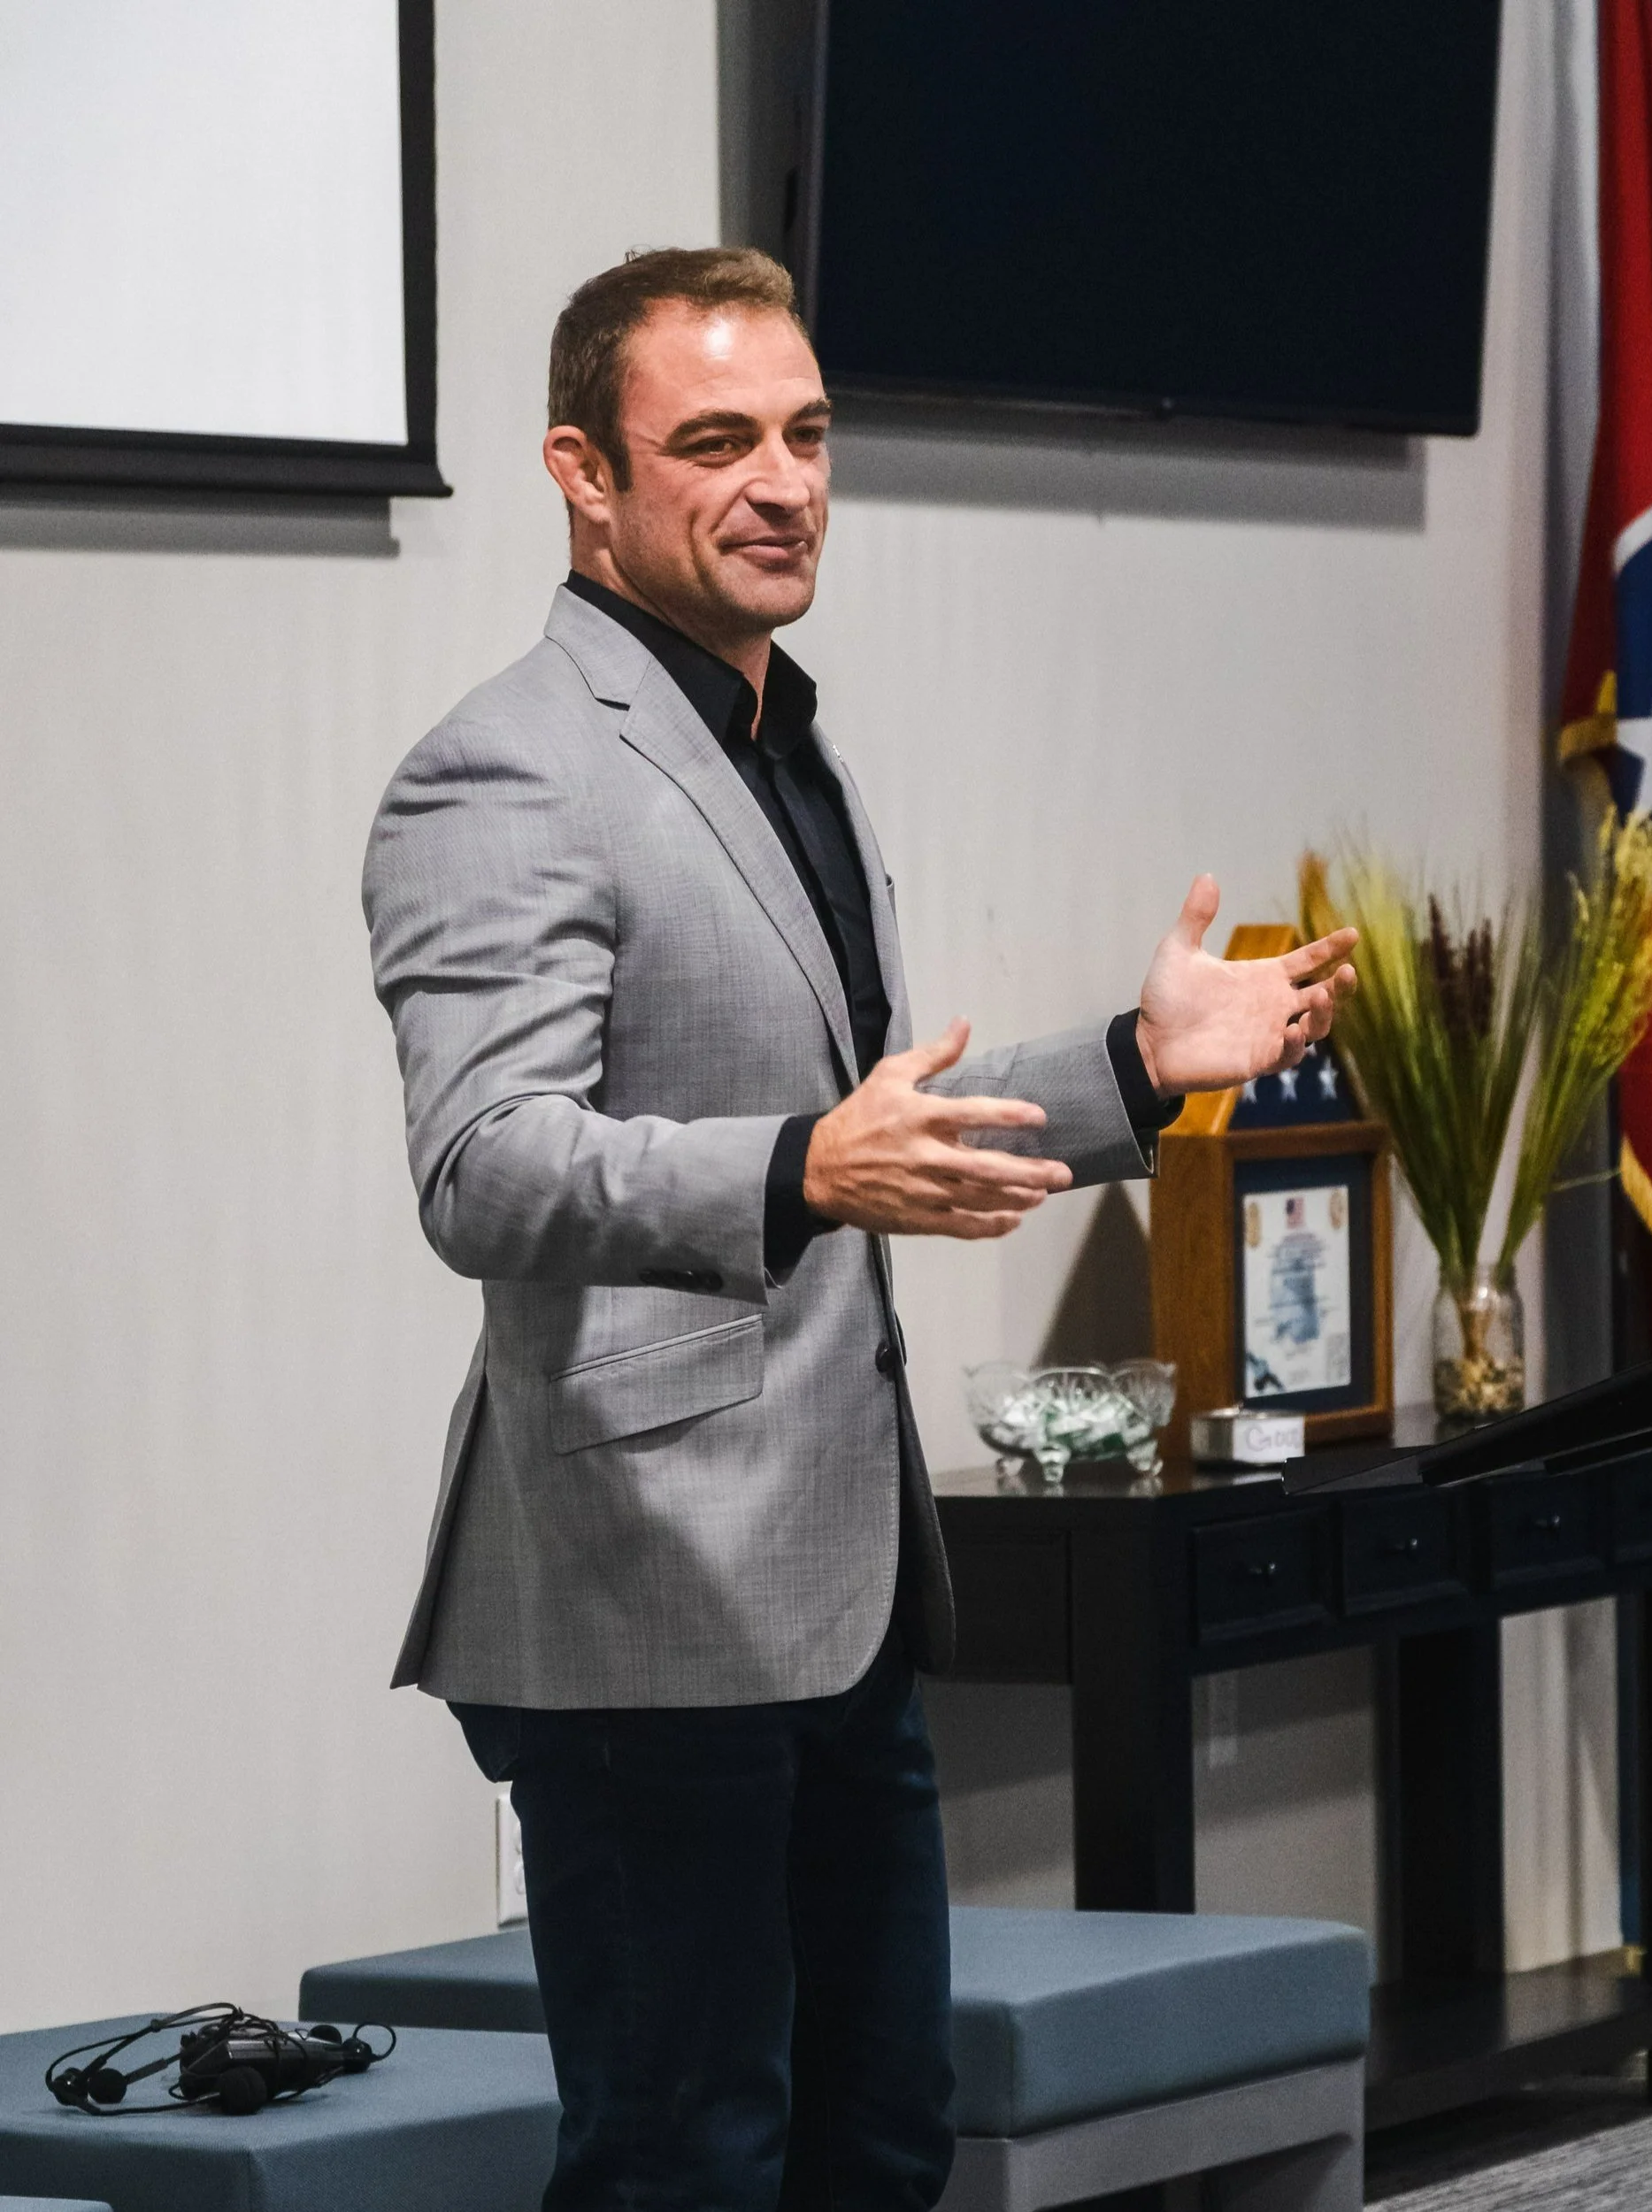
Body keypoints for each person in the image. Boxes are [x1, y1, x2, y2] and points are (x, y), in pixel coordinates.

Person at [362, 245, 1356, 2211]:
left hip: (837, 1587)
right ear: (583, 469)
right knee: (684, 2157)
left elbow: (869, 1126)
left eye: (807, 434)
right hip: (643, 1602)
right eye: (716, 441)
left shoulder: (779, 739)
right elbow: (483, 1163)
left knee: (878, 2140)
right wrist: (795, 1166)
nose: (783, 482)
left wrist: (1143, 1067)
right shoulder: (508, 769)